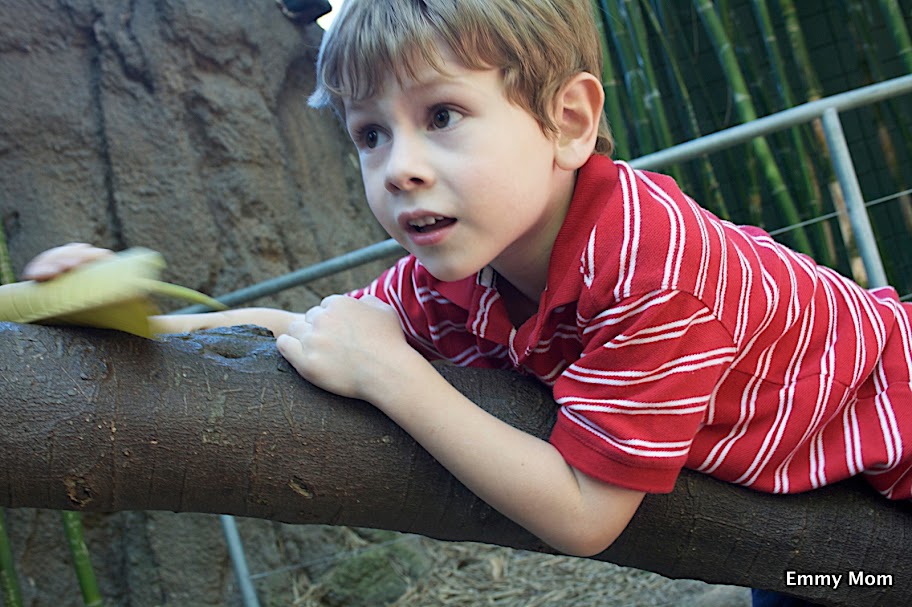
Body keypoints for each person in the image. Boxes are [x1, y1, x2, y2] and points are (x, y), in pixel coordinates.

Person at [24, 1, 911, 604]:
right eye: (370, 134)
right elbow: (317, 335)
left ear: (569, 120)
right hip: (814, 499)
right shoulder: (458, 269)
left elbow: (585, 515)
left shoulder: (655, 268)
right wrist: (126, 317)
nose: (398, 167)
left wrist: (396, 378)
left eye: (442, 114)